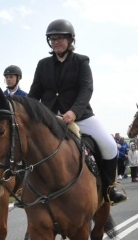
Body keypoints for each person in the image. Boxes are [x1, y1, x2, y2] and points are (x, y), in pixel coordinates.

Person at [28, 18, 126, 204]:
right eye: (53, 38)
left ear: (70, 40)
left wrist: (74, 112)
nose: (56, 41)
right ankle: (25, 189)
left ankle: (110, 188)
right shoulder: (43, 65)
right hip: (49, 118)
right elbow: (34, 93)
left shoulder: (81, 61)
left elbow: (86, 89)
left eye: (60, 38)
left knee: (110, 145)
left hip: (78, 117)